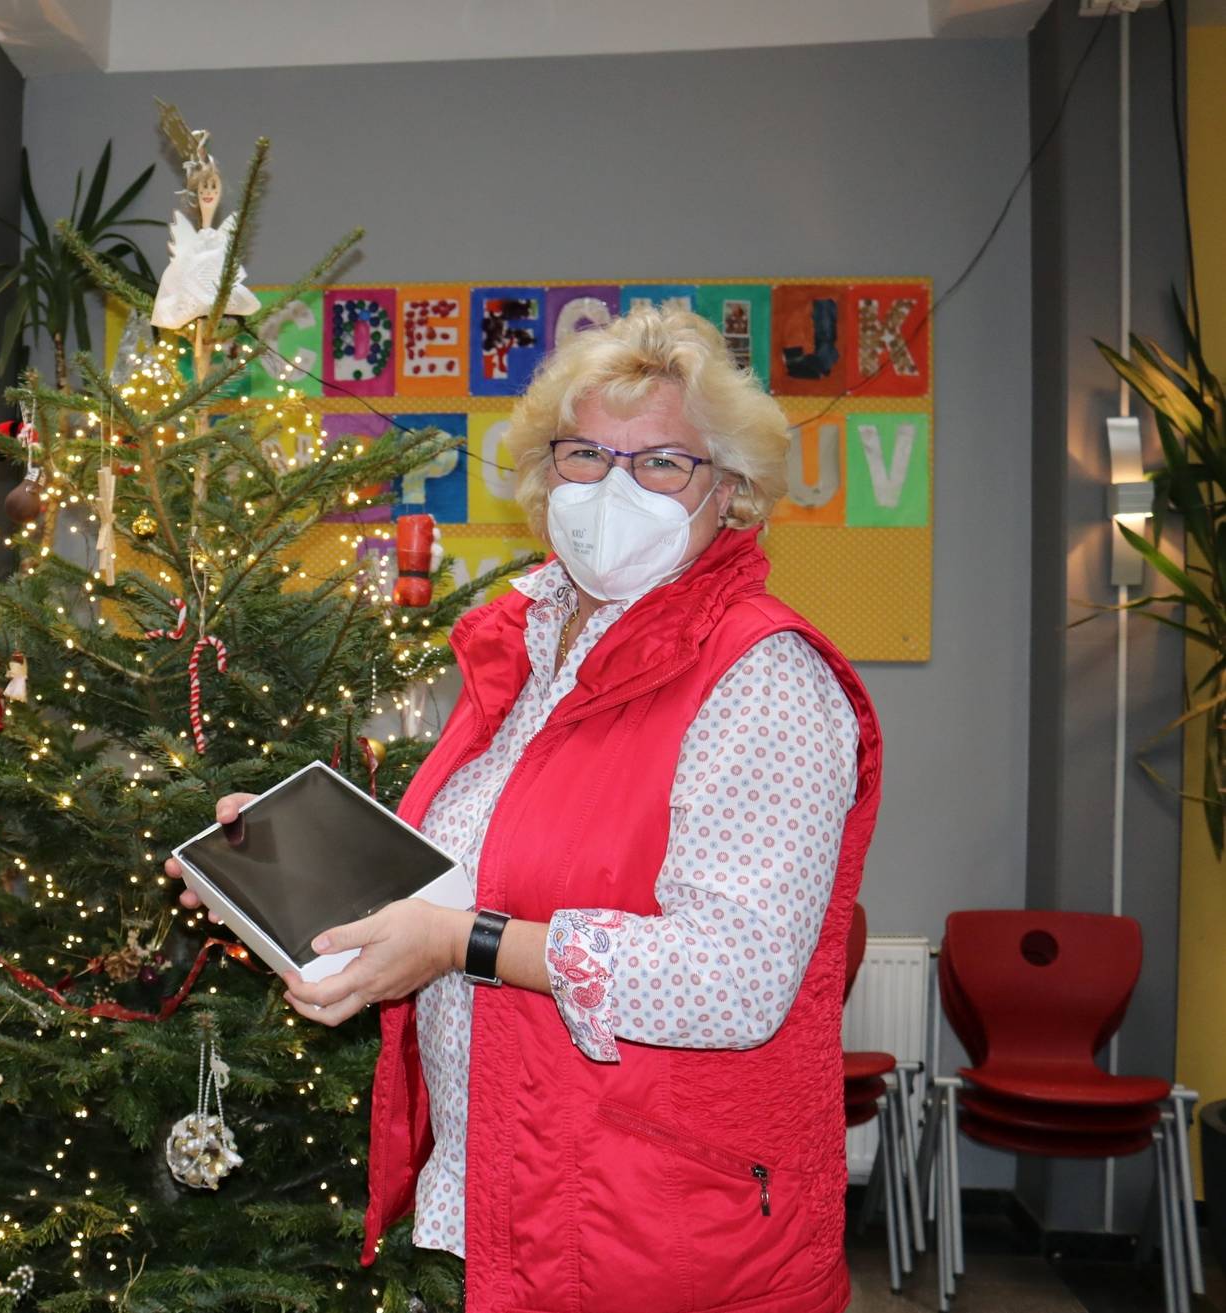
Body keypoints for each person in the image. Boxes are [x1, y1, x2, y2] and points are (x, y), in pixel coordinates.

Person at [170, 307, 881, 1312]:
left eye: (662, 462)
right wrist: (294, 863)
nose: (615, 486)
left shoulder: (762, 675)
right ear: (546, 471)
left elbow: (733, 976)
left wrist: (460, 942)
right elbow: (486, 866)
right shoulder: (531, 643)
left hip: (669, 1229)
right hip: (537, 1186)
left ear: (730, 491)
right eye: (586, 451)